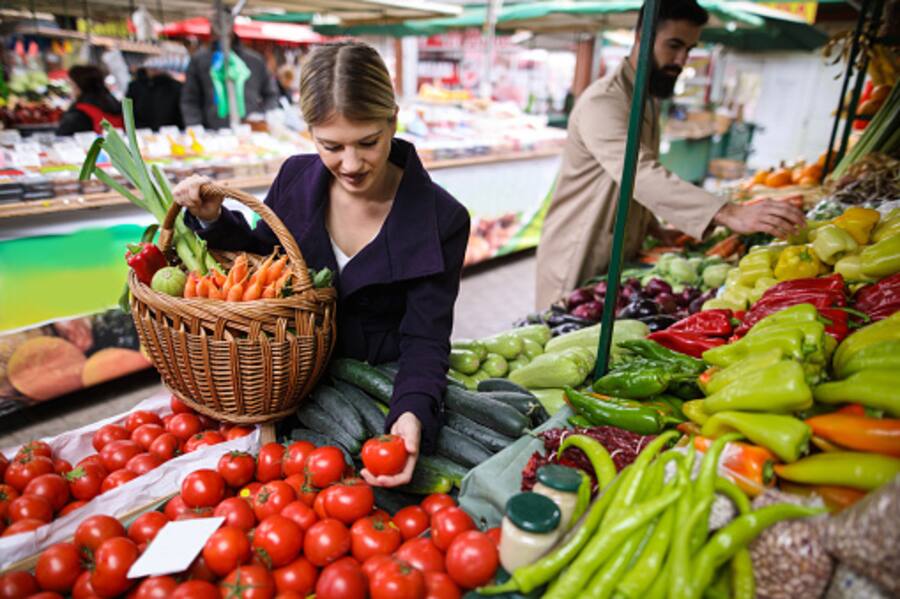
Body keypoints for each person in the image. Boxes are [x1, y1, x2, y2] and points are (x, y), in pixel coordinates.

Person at [172, 42, 470, 488]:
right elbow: (264, 257)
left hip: (372, 399)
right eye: (331, 146)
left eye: (368, 142)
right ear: (309, 130)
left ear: (393, 120)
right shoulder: (294, 177)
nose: (350, 164)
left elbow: (425, 338)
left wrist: (410, 413)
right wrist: (212, 220)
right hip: (283, 386)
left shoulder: (442, 219)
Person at [534, 0, 806, 309]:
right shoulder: (605, 101)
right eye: (673, 45)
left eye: (689, 50)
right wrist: (730, 213)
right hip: (577, 252)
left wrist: (653, 227)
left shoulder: (646, 98)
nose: (681, 60)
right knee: (562, 337)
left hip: (616, 250)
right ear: (640, 37)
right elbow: (638, 171)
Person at [180, 33, 279, 129]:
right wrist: (195, 125)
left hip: (249, 131)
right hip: (211, 133)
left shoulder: (255, 60)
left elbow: (271, 94)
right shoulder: (200, 60)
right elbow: (190, 98)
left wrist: (260, 116)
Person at [56, 65, 123, 136]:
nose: (70, 91)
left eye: (71, 85)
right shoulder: (114, 102)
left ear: (78, 86)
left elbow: (62, 135)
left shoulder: (80, 111)